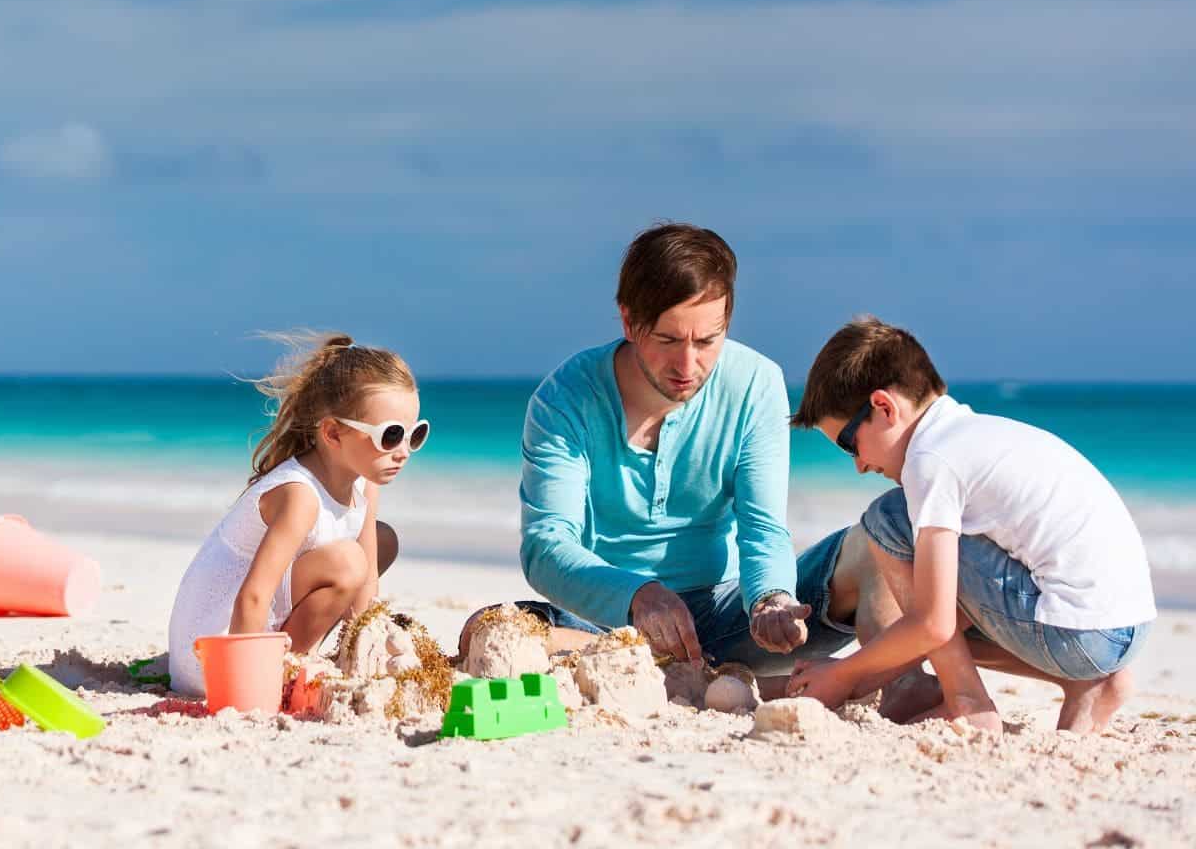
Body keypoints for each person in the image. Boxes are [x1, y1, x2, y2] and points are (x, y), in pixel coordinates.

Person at [465, 223, 911, 698]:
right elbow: (546, 547)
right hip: (609, 624)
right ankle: (725, 682)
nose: (687, 365)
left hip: (728, 614)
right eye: (667, 340)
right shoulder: (564, 400)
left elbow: (762, 528)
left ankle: (900, 688)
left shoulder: (755, 383)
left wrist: (770, 598)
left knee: (873, 545)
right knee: (489, 629)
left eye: (706, 341)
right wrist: (638, 595)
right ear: (629, 322)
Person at [786, 317, 1156, 733]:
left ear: (884, 407)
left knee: (886, 520)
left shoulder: (931, 461)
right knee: (937, 587)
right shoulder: (978, 434)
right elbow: (952, 622)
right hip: (1125, 628)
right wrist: (866, 672)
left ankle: (967, 702)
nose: (858, 465)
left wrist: (844, 673)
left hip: (1075, 633)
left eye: (849, 444)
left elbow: (934, 624)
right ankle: (1089, 685)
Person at [167, 333, 414, 696]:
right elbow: (252, 597)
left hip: (261, 620)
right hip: (216, 647)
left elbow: (367, 582)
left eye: (414, 434)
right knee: (348, 561)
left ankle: (300, 658)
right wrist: (247, 689)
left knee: (381, 541)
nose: (404, 451)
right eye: (390, 436)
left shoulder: (364, 483)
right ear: (333, 433)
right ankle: (282, 672)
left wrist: (363, 648)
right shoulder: (300, 495)